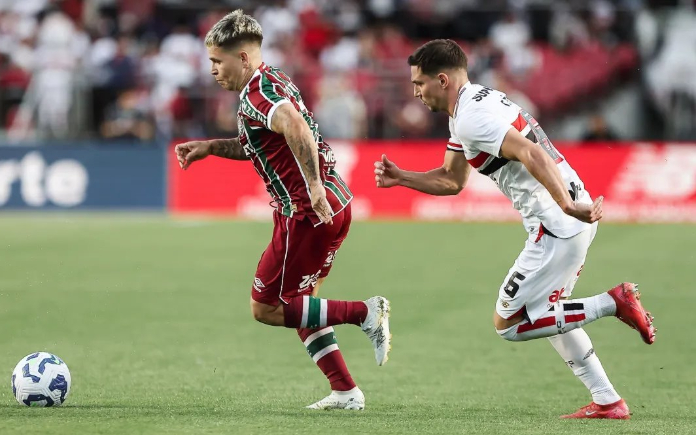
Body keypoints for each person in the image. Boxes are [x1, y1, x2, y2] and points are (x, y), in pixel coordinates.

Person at [373, 39, 656, 419]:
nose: (416, 93)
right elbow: (453, 180)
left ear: (442, 79)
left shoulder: (472, 118)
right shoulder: (471, 106)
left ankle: (613, 301)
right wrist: (402, 177)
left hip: (556, 224)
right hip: (566, 217)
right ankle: (608, 400)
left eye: (418, 84)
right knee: (550, 315)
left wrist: (567, 206)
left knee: (510, 323)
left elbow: (531, 153)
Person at [174, 10, 391, 410]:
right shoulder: (272, 80)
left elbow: (294, 124)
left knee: (269, 307)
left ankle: (365, 313)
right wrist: (210, 147)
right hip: (325, 207)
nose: (212, 71)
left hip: (307, 214)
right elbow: (261, 142)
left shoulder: (258, 94)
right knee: (301, 305)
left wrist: (312, 188)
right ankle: (346, 391)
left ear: (242, 58)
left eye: (217, 62)